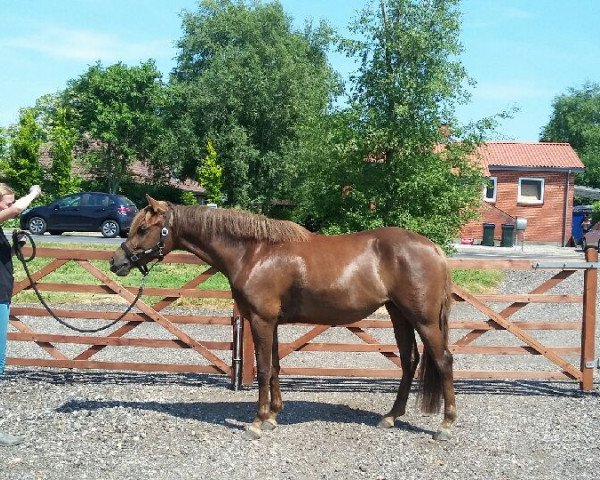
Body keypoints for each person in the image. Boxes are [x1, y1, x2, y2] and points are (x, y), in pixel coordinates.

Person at [0, 183, 42, 447]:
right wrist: (34, 193)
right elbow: (17, 208)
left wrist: (16, 247)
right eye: (5, 203)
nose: (10, 208)